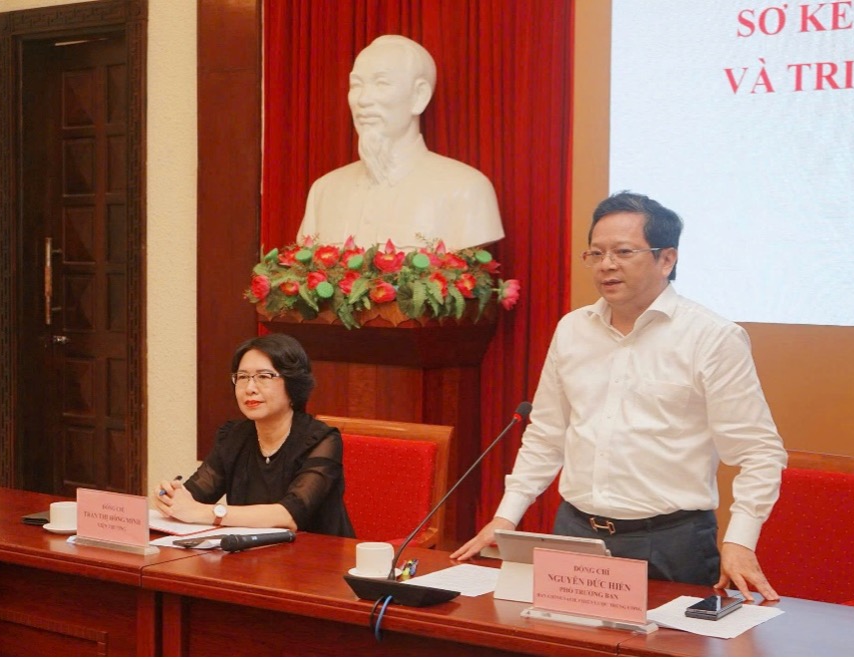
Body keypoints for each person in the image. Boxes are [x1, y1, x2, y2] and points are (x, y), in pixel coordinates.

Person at [452, 191, 787, 601]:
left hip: (670, 542)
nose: (606, 264)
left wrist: (740, 540)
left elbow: (760, 451)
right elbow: (547, 435)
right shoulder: (572, 330)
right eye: (596, 253)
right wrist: (507, 516)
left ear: (667, 259)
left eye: (623, 252)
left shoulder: (712, 337)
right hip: (575, 533)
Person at [295, 34, 505, 251]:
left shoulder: (465, 189)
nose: (363, 100)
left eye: (381, 84)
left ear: (419, 96)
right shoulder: (325, 191)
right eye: (356, 85)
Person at [154, 333, 355, 536]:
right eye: (242, 377)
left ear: (292, 384)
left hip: (316, 553)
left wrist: (207, 513)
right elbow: (195, 496)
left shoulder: (322, 440)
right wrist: (171, 497)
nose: (250, 388)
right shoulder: (233, 436)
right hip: (252, 552)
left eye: (264, 377)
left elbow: (289, 515)